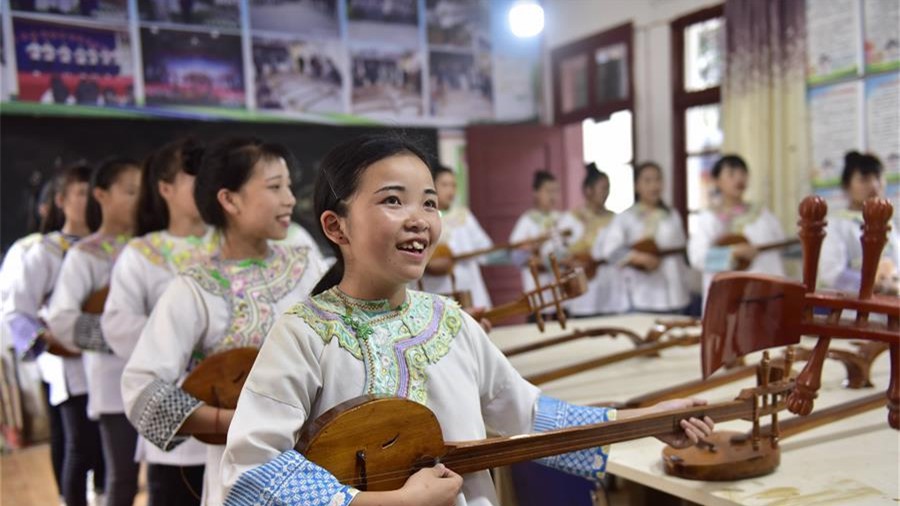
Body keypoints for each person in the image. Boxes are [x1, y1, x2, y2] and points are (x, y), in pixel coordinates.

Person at [219, 134, 714, 505]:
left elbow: (533, 416)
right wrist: (387, 503)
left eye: (429, 202)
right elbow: (250, 470)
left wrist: (647, 421)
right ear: (336, 225)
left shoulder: (450, 322)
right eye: (393, 200)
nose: (420, 218)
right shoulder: (304, 331)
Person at [121, 137, 327, 505]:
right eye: (275, 187)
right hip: (243, 475)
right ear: (229, 200)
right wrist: (230, 421)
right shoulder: (197, 287)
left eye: (289, 187)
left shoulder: (306, 264)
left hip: (320, 464)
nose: (290, 199)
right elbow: (142, 388)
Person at [102, 138, 215, 505]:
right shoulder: (141, 253)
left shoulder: (236, 244)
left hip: (241, 424)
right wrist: (183, 335)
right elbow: (116, 323)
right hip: (178, 428)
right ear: (165, 188)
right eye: (193, 176)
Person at [3, 163, 104, 505]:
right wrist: (50, 341)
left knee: (107, 445)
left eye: (94, 191)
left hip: (108, 360)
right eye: (80, 192)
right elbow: (17, 309)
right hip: (69, 366)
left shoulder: (111, 248)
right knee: (78, 444)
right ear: (61, 200)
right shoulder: (44, 251)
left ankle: (103, 495)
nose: (89, 199)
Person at [46, 157, 141, 506]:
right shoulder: (84, 255)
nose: (139, 199)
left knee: (166, 473)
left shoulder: (152, 249)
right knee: (122, 478)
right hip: (112, 381)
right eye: (130, 191)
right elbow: (62, 320)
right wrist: (124, 336)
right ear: (100, 196)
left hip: (160, 378)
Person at [687, 155, 787, 307]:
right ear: (716, 181)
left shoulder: (761, 213)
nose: (739, 178)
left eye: (743, 173)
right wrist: (733, 252)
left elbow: (780, 243)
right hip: (727, 299)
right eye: (731, 174)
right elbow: (698, 257)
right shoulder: (709, 217)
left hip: (766, 296)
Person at [595, 162, 690, 314]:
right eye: (647, 180)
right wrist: (638, 258)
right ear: (636, 186)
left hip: (674, 292)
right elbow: (609, 250)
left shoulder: (672, 215)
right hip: (642, 293)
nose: (654, 185)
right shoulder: (626, 217)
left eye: (658, 179)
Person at [819, 151, 899, 295]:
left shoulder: (888, 223)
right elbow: (831, 273)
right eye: (864, 179)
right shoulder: (836, 224)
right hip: (852, 308)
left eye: (878, 177)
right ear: (846, 186)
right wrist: (872, 284)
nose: (874, 185)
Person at [418, 165, 493, 309]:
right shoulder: (422, 217)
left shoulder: (464, 216)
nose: (450, 190)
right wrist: (429, 263)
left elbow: (485, 248)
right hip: (433, 291)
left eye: (453, 185)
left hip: (467, 288)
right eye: (445, 184)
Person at [509, 170, 580, 318]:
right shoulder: (527, 221)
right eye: (548, 191)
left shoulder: (563, 219)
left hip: (562, 296)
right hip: (538, 296)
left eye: (556, 191)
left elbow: (574, 251)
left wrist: (568, 259)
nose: (553, 196)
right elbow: (516, 257)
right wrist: (536, 247)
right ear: (536, 193)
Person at [564, 163, 627, 317]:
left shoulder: (616, 219)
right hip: (584, 286)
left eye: (608, 188)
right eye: (603, 188)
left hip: (610, 285)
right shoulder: (571, 219)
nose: (606, 193)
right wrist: (571, 261)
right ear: (588, 190)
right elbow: (557, 251)